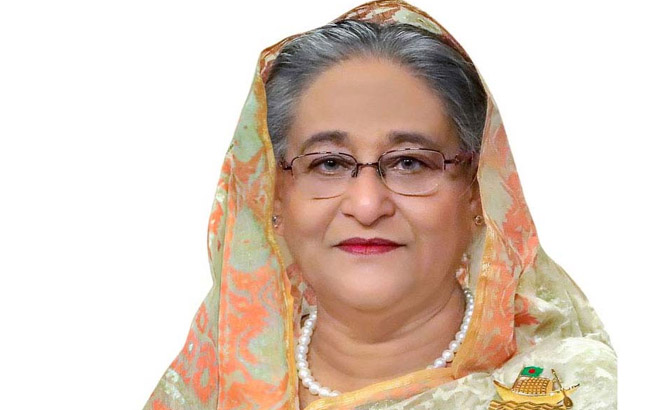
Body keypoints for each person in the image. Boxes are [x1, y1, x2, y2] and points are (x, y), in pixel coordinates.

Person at [143, 1, 617, 409]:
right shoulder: (211, 386)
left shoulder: (566, 388)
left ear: (478, 192)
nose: (368, 205)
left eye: (410, 162)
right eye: (328, 163)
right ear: (274, 197)